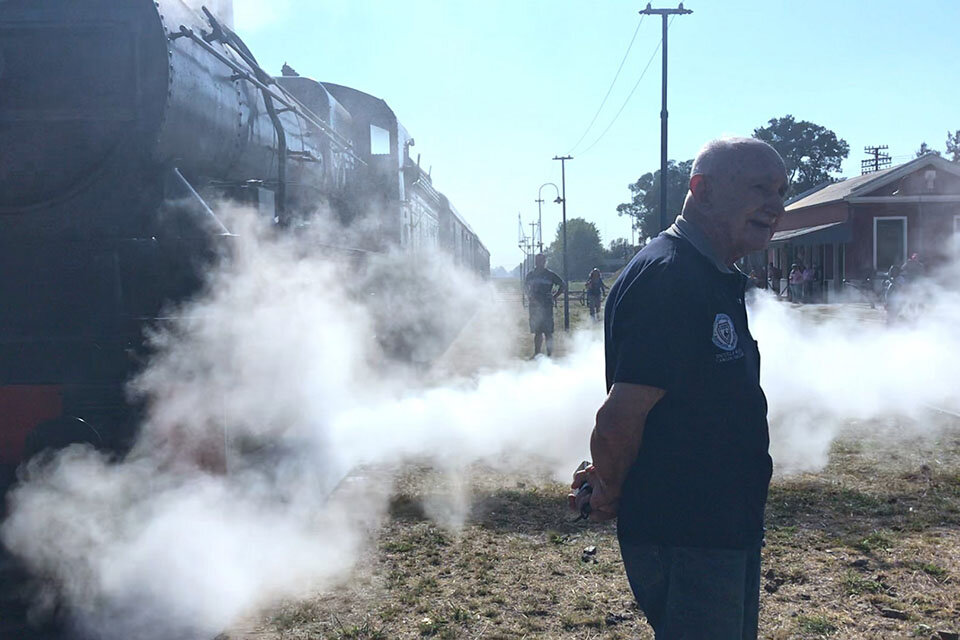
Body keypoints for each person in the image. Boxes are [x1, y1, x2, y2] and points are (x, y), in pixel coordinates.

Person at [568, 137, 787, 639]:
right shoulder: (671, 277)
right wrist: (611, 485)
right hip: (690, 533)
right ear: (702, 190)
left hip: (719, 527)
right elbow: (618, 419)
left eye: (780, 190)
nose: (776, 204)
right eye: (759, 188)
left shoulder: (709, 272)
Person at [524, 253, 564, 356]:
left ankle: (549, 353)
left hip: (547, 306)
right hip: (534, 306)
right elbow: (524, 286)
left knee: (548, 331)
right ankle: (537, 353)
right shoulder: (531, 274)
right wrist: (529, 295)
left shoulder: (550, 275)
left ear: (545, 261)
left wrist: (554, 296)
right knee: (537, 331)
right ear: (535, 262)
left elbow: (562, 285)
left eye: (542, 261)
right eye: (538, 260)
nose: (540, 263)